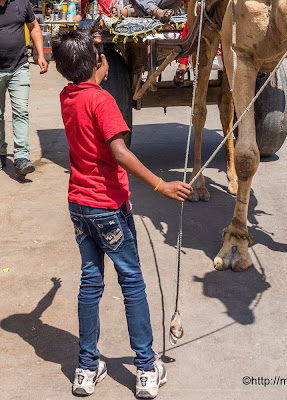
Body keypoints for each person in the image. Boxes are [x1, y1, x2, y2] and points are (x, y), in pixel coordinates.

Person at [51, 30, 192, 399]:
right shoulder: (102, 101)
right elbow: (120, 152)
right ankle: (146, 368)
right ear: (98, 64)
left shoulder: (67, 96)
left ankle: (86, 367)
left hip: (79, 207)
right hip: (107, 207)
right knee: (131, 283)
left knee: (91, 282)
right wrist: (162, 186)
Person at [0, 0, 48, 176]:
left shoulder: (21, 1)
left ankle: (21, 157)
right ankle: (1, 154)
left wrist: (41, 54)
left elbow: (34, 27)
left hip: (19, 65)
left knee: (20, 112)